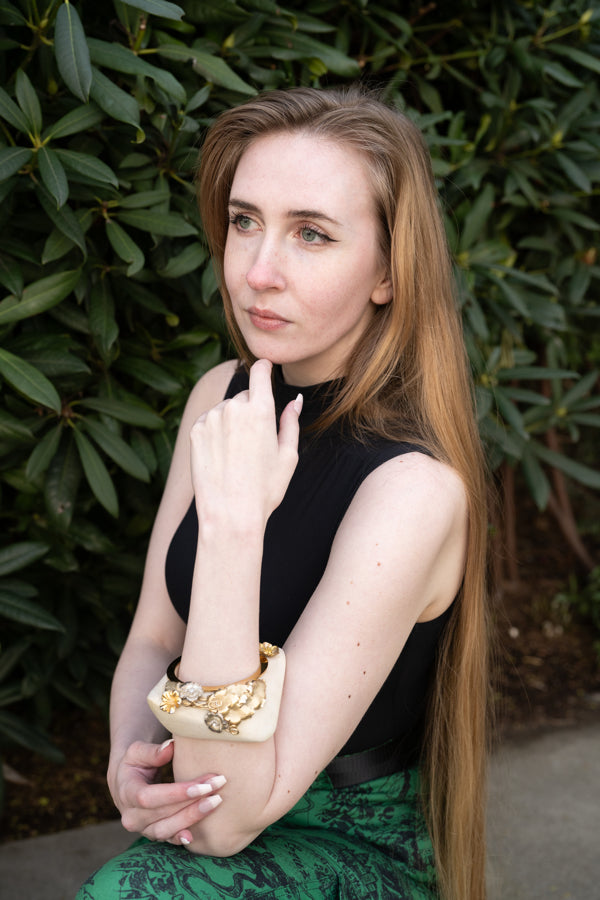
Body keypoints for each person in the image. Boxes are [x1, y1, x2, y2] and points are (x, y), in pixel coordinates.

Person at [76, 85, 489, 900]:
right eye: (244, 221)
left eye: (311, 233)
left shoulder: (411, 489)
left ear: (388, 272)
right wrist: (129, 758)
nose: (258, 272)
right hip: (208, 783)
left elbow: (226, 824)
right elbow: (155, 636)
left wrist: (235, 530)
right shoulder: (222, 395)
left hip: (348, 840)